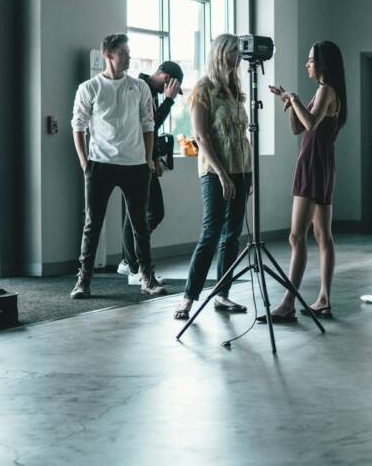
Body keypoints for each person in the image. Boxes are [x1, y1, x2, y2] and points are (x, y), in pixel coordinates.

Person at [70, 34, 166, 298]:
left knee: (140, 225)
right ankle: (83, 281)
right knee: (93, 224)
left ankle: (147, 278)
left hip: (135, 165)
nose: (129, 56)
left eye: (128, 51)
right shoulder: (89, 88)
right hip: (100, 164)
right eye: (124, 52)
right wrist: (84, 162)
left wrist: (147, 159)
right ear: (108, 54)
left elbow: (149, 125)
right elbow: (77, 126)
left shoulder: (140, 87)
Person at [260, 40, 347, 322]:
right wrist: (288, 101)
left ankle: (288, 302)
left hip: (313, 165)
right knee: (322, 235)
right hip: (321, 164)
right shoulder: (324, 92)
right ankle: (323, 299)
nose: (306, 64)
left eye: (311, 60)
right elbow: (298, 126)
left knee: (297, 236)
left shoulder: (325, 90)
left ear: (323, 63)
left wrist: (295, 99)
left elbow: (309, 124)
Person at [174, 34, 253, 320]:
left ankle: (223, 294)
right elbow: (201, 137)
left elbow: (243, 134)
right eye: (235, 52)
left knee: (232, 236)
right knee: (211, 234)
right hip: (215, 172)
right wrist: (223, 175)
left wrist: (247, 174)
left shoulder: (235, 89)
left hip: (241, 169)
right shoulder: (203, 89)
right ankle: (188, 298)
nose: (239, 57)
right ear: (221, 54)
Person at [116, 61, 183, 286]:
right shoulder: (141, 88)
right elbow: (151, 124)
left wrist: (155, 158)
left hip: (144, 160)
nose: (172, 92)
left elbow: (148, 129)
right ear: (167, 79)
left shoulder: (149, 90)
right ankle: (133, 265)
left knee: (151, 212)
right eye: (174, 87)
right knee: (141, 214)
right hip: (134, 161)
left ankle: (130, 259)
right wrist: (170, 100)